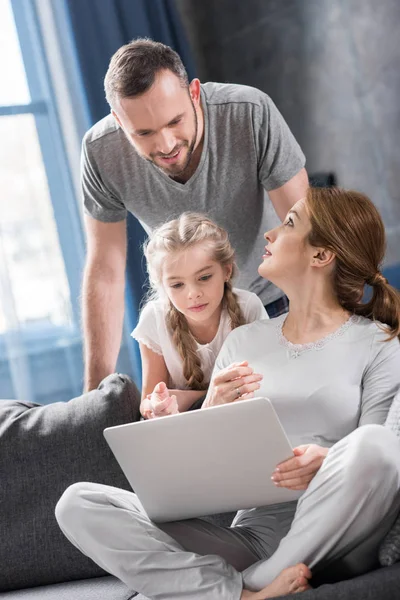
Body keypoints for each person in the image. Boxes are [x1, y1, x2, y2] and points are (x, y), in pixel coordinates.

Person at [55, 187, 400, 599]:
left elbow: (384, 460)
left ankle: (251, 584)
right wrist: (211, 413)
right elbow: (205, 477)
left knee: (375, 444)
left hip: (338, 532)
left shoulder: (378, 343)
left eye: (288, 223)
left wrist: (327, 463)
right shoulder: (245, 340)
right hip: (252, 537)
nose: (270, 235)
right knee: (78, 503)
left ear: (321, 255)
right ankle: (241, 593)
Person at [81, 38, 309, 391]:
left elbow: (304, 229)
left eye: (175, 121)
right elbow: (105, 272)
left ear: (194, 94)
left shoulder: (249, 111)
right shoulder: (101, 152)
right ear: (117, 120)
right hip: (188, 330)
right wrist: (92, 396)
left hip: (272, 306)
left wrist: (328, 331)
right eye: (144, 133)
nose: (166, 144)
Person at [131, 212, 267, 419]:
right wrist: (158, 405)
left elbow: (263, 387)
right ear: (162, 286)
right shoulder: (154, 318)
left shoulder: (248, 306)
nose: (193, 293)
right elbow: (147, 402)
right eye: (177, 285)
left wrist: (187, 398)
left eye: (204, 277)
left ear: (227, 271)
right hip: (185, 428)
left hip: (241, 419)